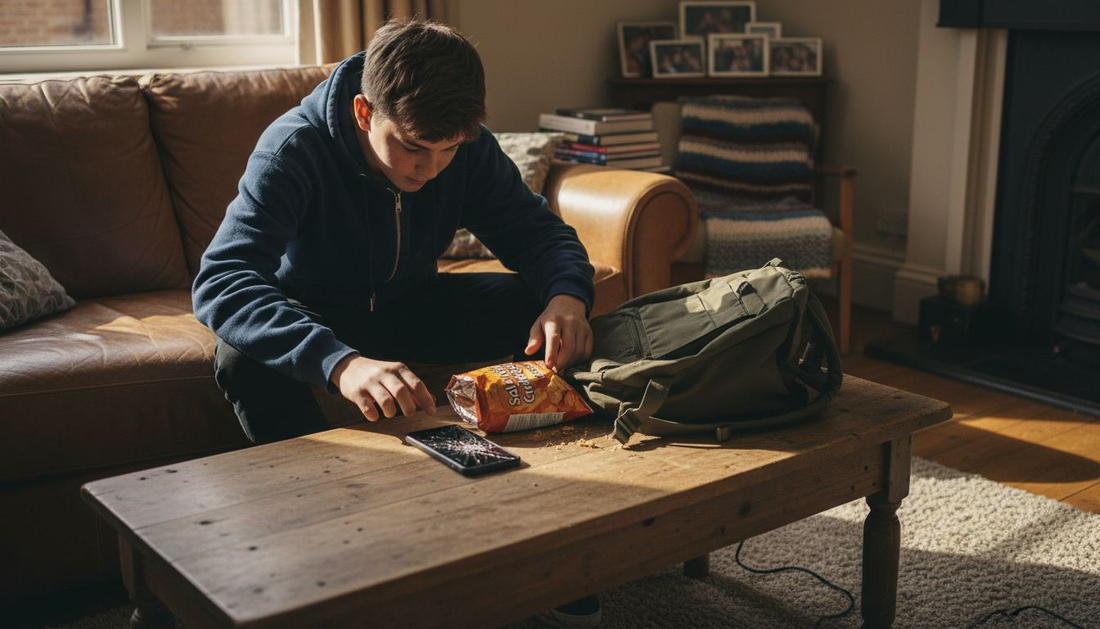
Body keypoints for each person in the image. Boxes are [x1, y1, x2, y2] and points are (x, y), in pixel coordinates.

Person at [193, 20, 600, 626]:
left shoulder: (466, 147)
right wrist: (340, 362)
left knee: (533, 309)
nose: (430, 169)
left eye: (448, 151)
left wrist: (567, 296)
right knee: (240, 357)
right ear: (363, 111)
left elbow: (537, 234)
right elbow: (222, 280)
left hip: (411, 303)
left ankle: (554, 521)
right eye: (412, 147)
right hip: (319, 319)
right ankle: (332, 540)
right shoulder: (293, 149)